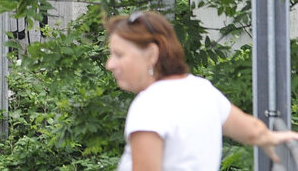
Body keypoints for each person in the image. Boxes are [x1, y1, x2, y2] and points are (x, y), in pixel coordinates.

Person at [105, 10, 298, 170]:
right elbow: (254, 132)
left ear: (152, 54)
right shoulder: (202, 90)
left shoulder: (148, 105)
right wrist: (274, 137)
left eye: (119, 55)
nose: (110, 64)